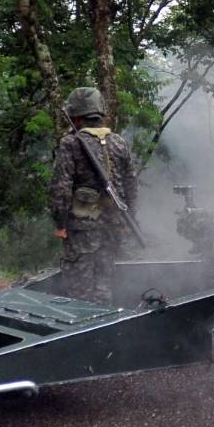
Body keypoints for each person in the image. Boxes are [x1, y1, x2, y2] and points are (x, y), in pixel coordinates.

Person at [49, 87, 138, 304]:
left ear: (76, 116)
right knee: (103, 287)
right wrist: (130, 219)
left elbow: (61, 188)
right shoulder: (118, 141)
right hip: (113, 225)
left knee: (80, 291)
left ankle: (83, 332)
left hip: (82, 230)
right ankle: (103, 329)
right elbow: (131, 184)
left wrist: (60, 223)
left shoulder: (71, 143)